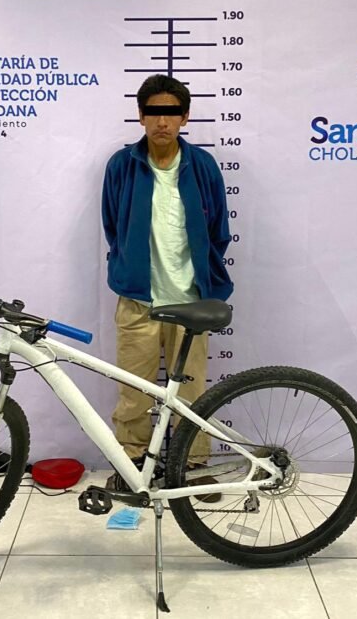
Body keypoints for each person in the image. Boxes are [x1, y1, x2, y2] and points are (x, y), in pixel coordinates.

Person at [101, 74, 233, 494]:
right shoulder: (122, 166)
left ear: (185, 117)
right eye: (154, 113)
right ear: (141, 116)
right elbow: (112, 225)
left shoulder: (203, 166)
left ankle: (190, 467)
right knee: (134, 393)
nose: (163, 122)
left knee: (191, 394)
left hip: (192, 303)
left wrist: (204, 278)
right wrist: (129, 268)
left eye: (171, 113)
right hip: (138, 301)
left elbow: (218, 230)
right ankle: (132, 465)